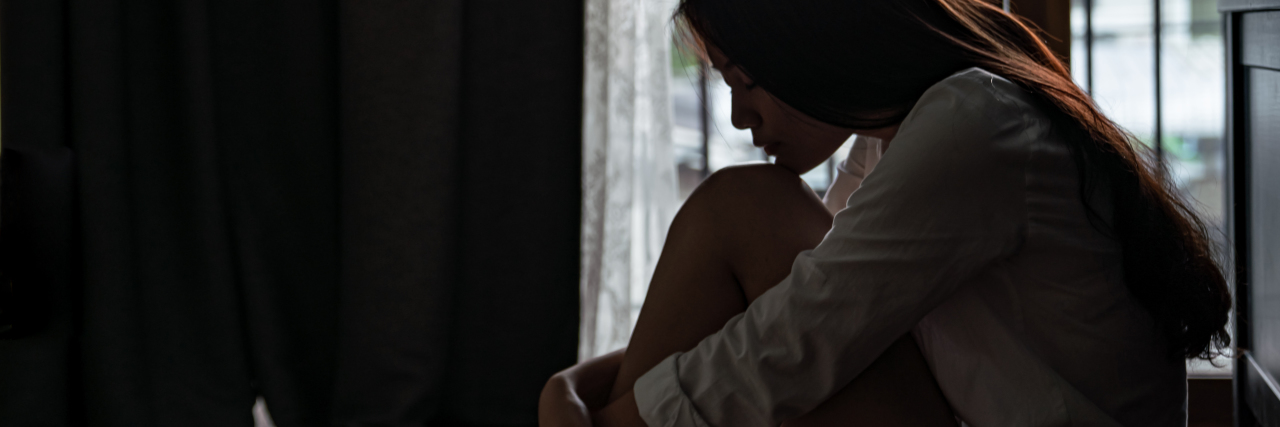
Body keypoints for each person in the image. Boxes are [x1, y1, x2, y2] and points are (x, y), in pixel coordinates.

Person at [540, 0, 1233, 425]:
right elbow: (791, 314)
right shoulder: (901, 134)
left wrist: (605, 418)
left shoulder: (970, 125)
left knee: (740, 206)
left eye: (743, 81)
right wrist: (576, 385)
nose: (737, 116)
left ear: (811, 44)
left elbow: (795, 340)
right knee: (745, 211)